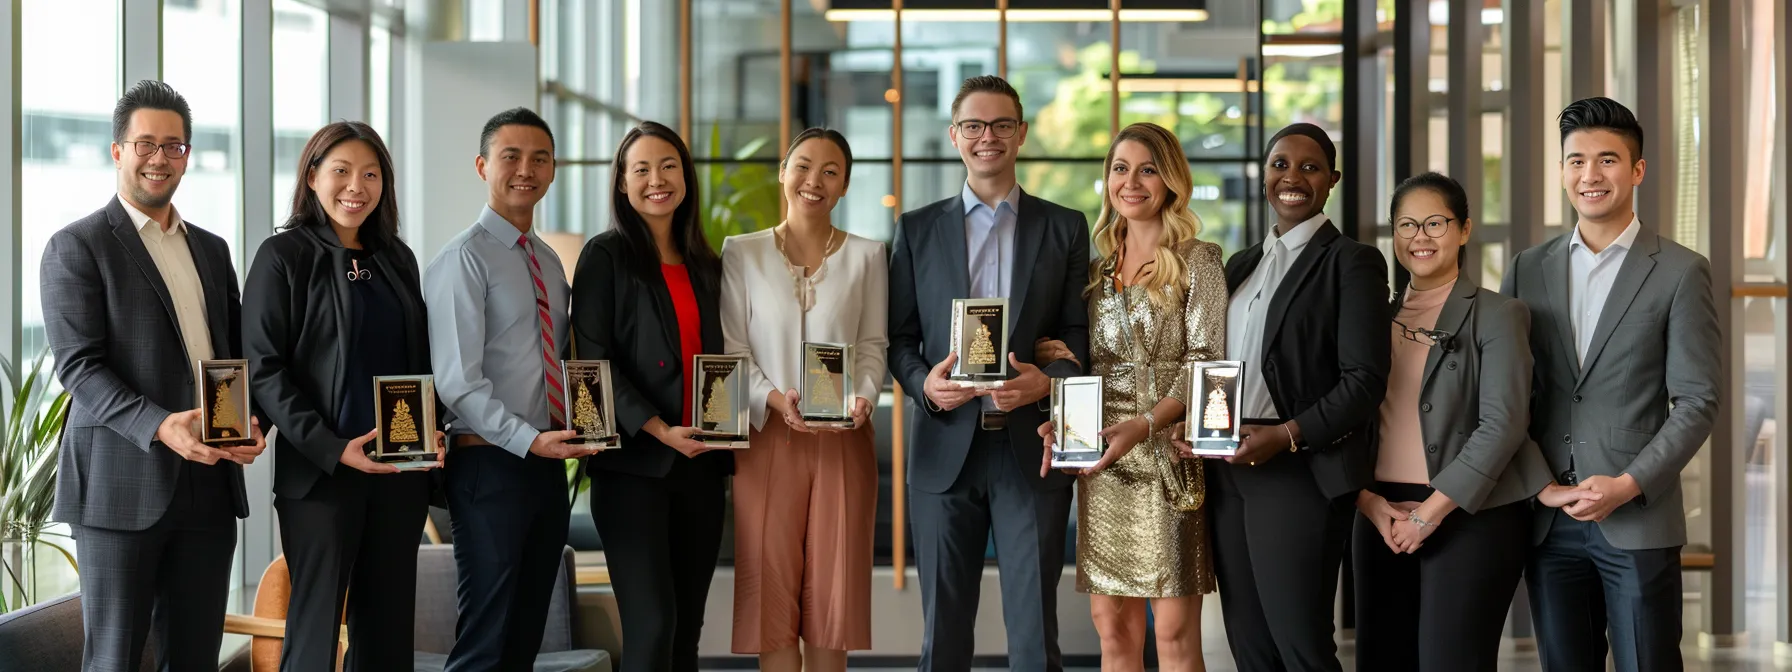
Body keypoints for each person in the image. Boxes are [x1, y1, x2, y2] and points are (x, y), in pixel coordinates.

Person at [40, 79, 268, 671]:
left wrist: (251, 422)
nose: (160, 158)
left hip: (210, 487)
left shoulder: (213, 251)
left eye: (174, 146)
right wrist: (162, 425)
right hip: (120, 490)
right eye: (146, 144)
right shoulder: (77, 246)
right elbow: (79, 367)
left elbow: (235, 356)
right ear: (118, 151)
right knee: (114, 660)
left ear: (187, 155)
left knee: (195, 658)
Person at [1504, 97, 1720, 672]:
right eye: (1576, 161)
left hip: (1639, 519)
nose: (1589, 175)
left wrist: (1628, 484)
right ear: (1561, 171)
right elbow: (1510, 397)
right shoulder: (1528, 268)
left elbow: (1697, 401)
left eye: (1607, 160)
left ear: (1637, 170)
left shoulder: (1679, 271)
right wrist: (1539, 485)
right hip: (1552, 519)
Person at [886, 74, 1091, 672]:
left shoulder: (1064, 227)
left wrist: (1047, 382)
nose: (988, 137)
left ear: (1021, 134)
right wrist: (924, 384)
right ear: (955, 136)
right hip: (944, 448)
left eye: (1002, 124)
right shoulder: (917, 229)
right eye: (974, 125)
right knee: (944, 636)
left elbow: (1078, 335)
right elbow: (899, 339)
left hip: (1031, 447)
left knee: (1033, 637)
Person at [1186, 122, 1390, 672]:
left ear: (1332, 181)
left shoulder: (1352, 262)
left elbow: (1365, 380)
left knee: (1300, 644)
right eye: (1280, 164)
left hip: (1298, 468)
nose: (1292, 177)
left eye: (1309, 166)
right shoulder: (1241, 264)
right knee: (1249, 645)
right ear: (1264, 178)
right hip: (1229, 464)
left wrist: (1287, 435)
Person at [242, 121, 445, 671]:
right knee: (315, 631)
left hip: (399, 474)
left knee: (386, 632)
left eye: (371, 174)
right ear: (312, 176)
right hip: (322, 479)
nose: (356, 185)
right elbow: (264, 369)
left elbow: (419, 362)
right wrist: (333, 448)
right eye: (341, 171)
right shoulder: (282, 256)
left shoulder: (396, 258)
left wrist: (433, 430)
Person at [1032, 122, 1227, 671]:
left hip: (1167, 451)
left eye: (1147, 169)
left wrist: (1143, 426)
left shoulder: (1200, 260)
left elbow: (1205, 363)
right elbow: (1086, 364)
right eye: (1121, 168)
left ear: (1170, 181)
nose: (1132, 182)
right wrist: (1060, 410)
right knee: (1112, 627)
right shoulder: (1093, 274)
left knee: (1172, 631)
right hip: (1100, 458)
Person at [1348, 172, 1554, 671]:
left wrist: (1429, 513)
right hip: (1378, 513)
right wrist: (1370, 502)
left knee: (1451, 660)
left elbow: (1503, 424)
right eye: (1406, 225)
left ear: (1463, 229)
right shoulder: (1370, 315)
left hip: (1469, 514)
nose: (1420, 237)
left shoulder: (1499, 314)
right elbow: (1348, 419)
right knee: (1380, 659)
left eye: (1435, 223)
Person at [424, 107, 590, 671]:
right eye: (511, 156)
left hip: (545, 466)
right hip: (488, 468)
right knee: (486, 642)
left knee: (524, 640)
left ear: (553, 170)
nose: (526, 169)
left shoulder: (547, 262)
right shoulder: (462, 259)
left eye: (539, 158)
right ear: (482, 166)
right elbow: (457, 383)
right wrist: (530, 440)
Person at [719, 128, 886, 672]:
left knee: (833, 593)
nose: (814, 180)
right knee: (771, 590)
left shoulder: (868, 256)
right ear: (783, 172)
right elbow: (733, 351)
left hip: (844, 441)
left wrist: (862, 398)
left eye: (831, 171)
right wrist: (772, 400)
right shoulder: (741, 254)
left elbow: (872, 346)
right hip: (767, 440)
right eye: (803, 166)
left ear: (844, 186)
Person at [571, 121, 731, 672]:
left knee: (687, 629)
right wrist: (659, 429)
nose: (656, 180)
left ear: (685, 175)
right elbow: (588, 364)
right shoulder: (605, 256)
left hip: (703, 469)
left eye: (669, 166)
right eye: (641, 169)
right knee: (652, 624)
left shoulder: (707, 265)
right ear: (621, 182)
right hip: (635, 467)